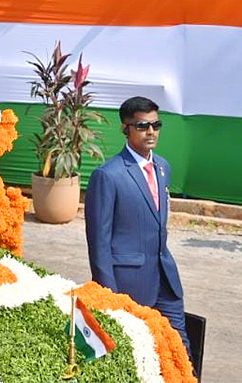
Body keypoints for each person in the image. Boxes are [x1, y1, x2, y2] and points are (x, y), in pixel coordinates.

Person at [85, 96, 189, 357]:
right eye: (142, 126)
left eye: (156, 125)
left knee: (180, 350)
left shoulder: (163, 167)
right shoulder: (108, 175)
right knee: (138, 356)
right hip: (129, 285)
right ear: (125, 128)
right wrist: (109, 296)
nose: (151, 132)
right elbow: (99, 243)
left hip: (166, 281)